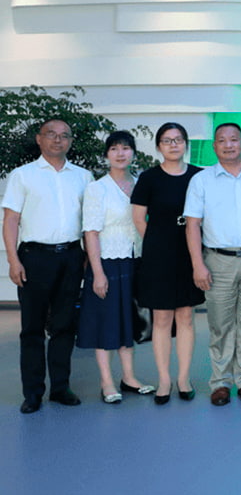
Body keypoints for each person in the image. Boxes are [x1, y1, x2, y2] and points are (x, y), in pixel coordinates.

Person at [3, 119, 93, 413]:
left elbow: (89, 222)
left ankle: (60, 387)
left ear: (70, 141)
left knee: (64, 325)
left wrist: (87, 257)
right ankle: (32, 392)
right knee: (32, 327)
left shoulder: (83, 177)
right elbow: (11, 220)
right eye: (51, 134)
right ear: (39, 139)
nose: (58, 140)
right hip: (34, 257)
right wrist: (13, 259)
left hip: (71, 256)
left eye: (64, 135)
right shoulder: (23, 175)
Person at [184, 123, 241, 406]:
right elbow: (192, 225)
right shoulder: (201, 180)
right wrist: (198, 264)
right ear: (214, 146)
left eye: (234, 140)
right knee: (220, 324)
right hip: (217, 261)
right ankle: (220, 382)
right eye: (222, 140)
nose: (228, 145)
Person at [76, 131, 155, 404]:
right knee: (105, 322)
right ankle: (107, 382)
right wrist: (97, 272)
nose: (120, 153)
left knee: (128, 320)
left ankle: (129, 377)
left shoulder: (140, 184)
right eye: (114, 149)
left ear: (134, 152)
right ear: (106, 155)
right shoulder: (97, 188)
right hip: (107, 262)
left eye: (125, 148)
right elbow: (91, 232)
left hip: (134, 261)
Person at [132, 122, 203, 405]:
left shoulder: (199, 176)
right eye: (167, 140)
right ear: (158, 146)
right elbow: (139, 219)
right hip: (158, 256)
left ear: (186, 143)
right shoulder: (149, 178)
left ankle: (183, 378)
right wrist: (158, 244)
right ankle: (164, 380)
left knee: (186, 316)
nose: (173, 145)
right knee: (161, 319)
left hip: (190, 254)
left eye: (178, 140)